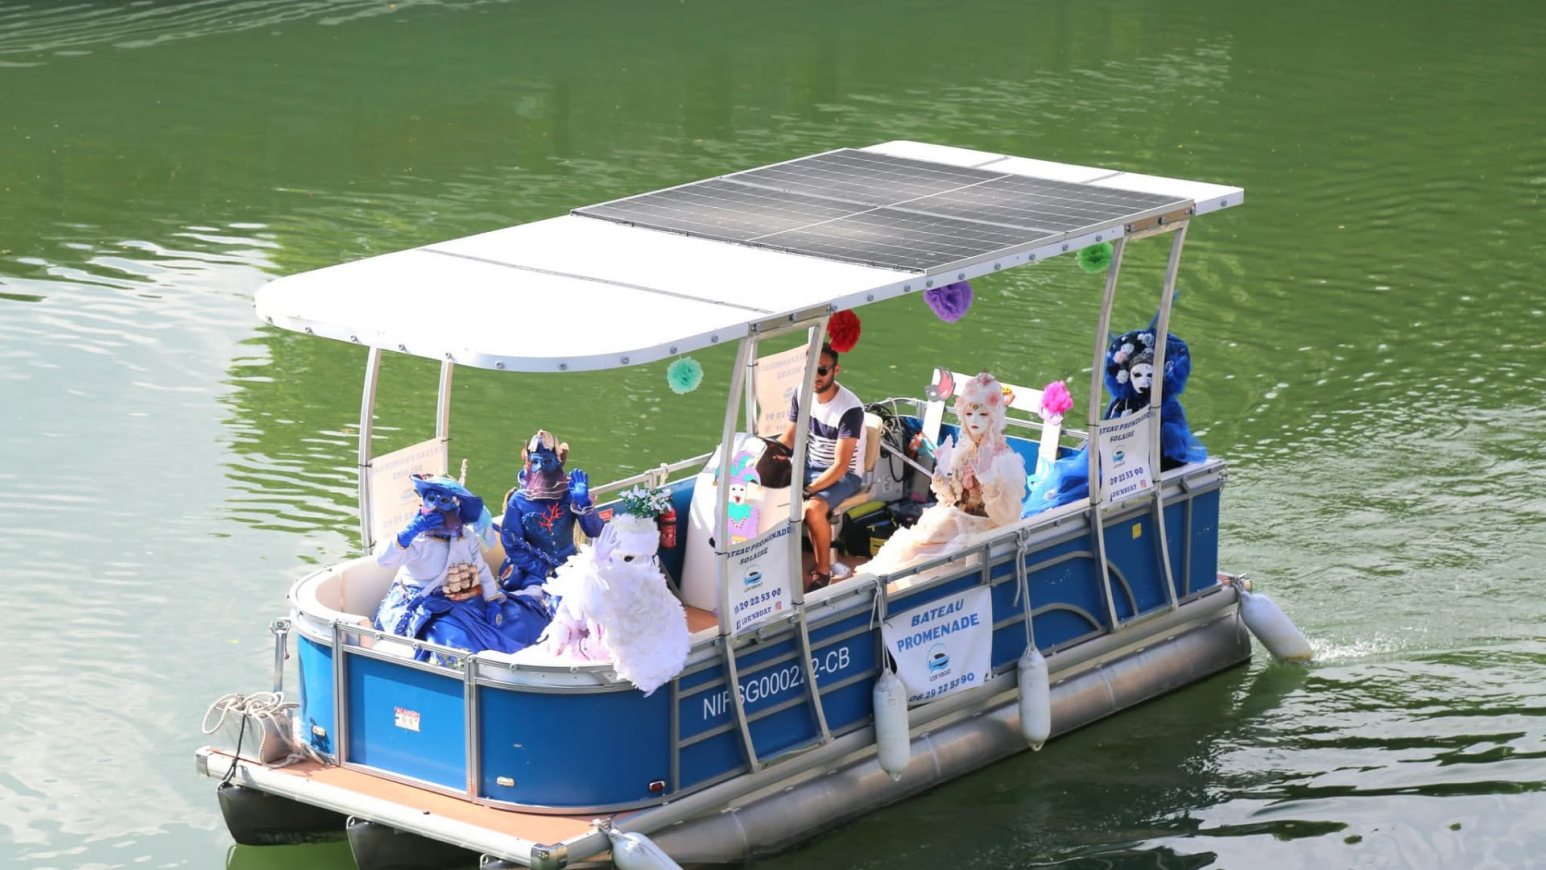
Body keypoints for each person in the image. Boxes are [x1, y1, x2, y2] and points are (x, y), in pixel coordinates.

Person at [1024, 328, 1206, 513]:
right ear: (1128, 375)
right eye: (1137, 375)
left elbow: (1174, 452)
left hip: (1143, 468)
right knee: (1074, 481)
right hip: (1114, 462)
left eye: (1150, 375)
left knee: (1097, 483)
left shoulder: (1167, 406)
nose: (1144, 382)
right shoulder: (1121, 403)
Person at [373, 474, 550, 663]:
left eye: (444, 501)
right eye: (431, 499)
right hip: (425, 608)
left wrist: (492, 600)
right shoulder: (416, 538)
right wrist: (408, 533)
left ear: (456, 506)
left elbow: (481, 571)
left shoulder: (466, 537)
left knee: (516, 620)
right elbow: (383, 560)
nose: (437, 506)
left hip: (464, 600)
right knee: (456, 640)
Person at [864, 372, 1026, 576]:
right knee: (905, 551)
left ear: (994, 416)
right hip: (954, 520)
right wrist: (941, 481)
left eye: (982, 414)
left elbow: (1008, 517)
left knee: (927, 564)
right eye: (969, 413)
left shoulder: (1004, 459)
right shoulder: (964, 450)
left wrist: (989, 483)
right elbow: (953, 499)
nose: (974, 420)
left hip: (982, 530)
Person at [779, 343, 866, 591]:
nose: (815, 376)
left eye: (822, 370)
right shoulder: (801, 393)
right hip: (810, 464)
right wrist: (765, 459)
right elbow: (789, 438)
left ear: (836, 370)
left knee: (813, 509)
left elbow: (840, 466)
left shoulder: (850, 408)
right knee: (769, 491)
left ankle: (823, 572)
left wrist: (808, 490)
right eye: (810, 370)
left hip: (845, 475)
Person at [497, 430, 605, 596]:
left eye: (547, 461)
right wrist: (545, 571)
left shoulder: (570, 493)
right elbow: (513, 546)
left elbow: (595, 532)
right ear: (528, 463)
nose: (540, 467)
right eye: (535, 462)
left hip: (571, 564)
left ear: (558, 461)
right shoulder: (518, 500)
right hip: (534, 571)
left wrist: (584, 504)